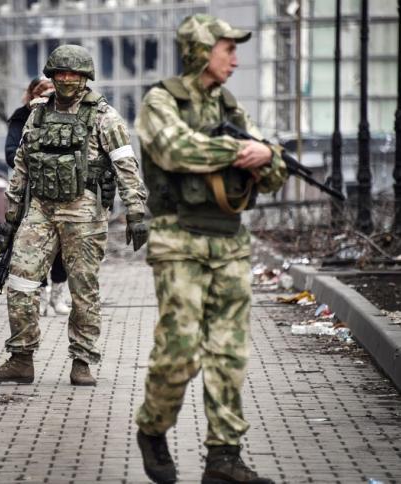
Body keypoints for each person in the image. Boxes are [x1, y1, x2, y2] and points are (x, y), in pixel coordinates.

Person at [134, 14, 288, 484]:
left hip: (229, 242)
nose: (235, 60)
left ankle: (224, 457)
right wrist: (244, 152)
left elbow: (274, 173)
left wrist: (268, 155)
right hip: (178, 239)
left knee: (229, 353)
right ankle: (153, 428)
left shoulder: (230, 107)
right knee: (180, 352)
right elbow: (175, 151)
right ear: (201, 51)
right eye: (228, 49)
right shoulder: (161, 100)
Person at [0, 44, 148, 386]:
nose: (67, 79)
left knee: (83, 290)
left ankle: (82, 361)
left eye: (74, 74)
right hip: (40, 211)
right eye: (61, 73)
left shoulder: (104, 117)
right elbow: (22, 167)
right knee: (21, 282)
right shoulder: (37, 115)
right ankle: (21, 358)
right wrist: (11, 215)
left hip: (84, 214)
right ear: (52, 76)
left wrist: (136, 211)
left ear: (86, 78)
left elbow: (126, 166)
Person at [5, 77, 71, 316]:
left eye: (51, 92)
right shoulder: (22, 117)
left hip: (64, 192)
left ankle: (57, 296)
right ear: (32, 95)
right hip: (32, 193)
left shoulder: (68, 115)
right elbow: (11, 153)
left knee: (63, 246)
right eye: (41, 93)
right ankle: (41, 295)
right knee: (35, 247)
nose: (47, 97)